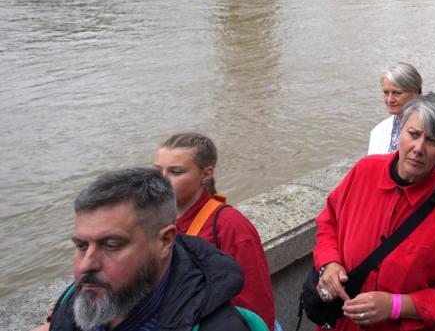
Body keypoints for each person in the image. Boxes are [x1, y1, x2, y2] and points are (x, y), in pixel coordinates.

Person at [312, 93, 435, 330]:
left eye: (433, 141)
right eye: (414, 134)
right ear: (400, 131)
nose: (419, 148)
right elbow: (329, 221)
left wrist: (396, 305)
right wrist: (329, 263)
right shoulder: (364, 170)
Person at [46, 167, 262, 331]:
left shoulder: (225, 325)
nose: (86, 265)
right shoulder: (72, 301)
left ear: (165, 241)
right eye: (81, 246)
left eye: (111, 245)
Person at [152, 134, 276, 331]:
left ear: (206, 174)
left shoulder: (230, 226)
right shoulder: (153, 220)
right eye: (158, 171)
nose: (162, 180)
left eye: (176, 172)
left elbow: (255, 304)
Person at [369, 63, 435, 177]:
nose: (389, 100)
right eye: (386, 92)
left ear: (416, 92)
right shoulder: (378, 131)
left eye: (397, 93)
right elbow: (373, 170)